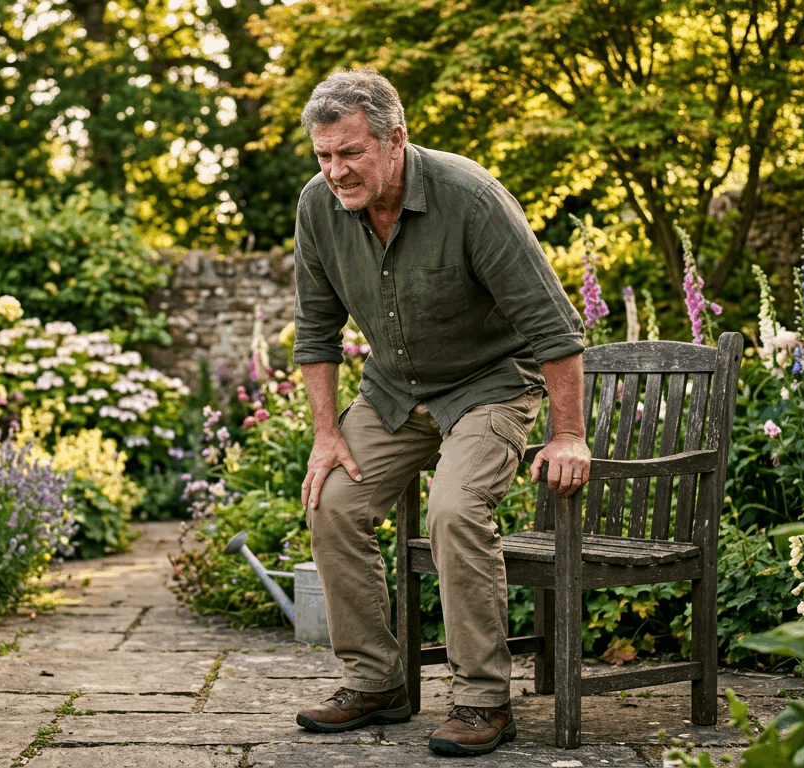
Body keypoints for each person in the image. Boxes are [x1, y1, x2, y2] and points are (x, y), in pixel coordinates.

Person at [290, 68, 592, 757]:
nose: (335, 171)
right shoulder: (318, 207)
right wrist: (326, 434)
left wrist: (569, 433)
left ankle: (484, 700)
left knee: (454, 511)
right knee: (331, 501)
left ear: (395, 140)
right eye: (324, 155)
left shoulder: (469, 197)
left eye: (350, 153)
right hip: (396, 392)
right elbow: (315, 331)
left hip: (489, 386)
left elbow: (554, 327)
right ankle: (375, 683)